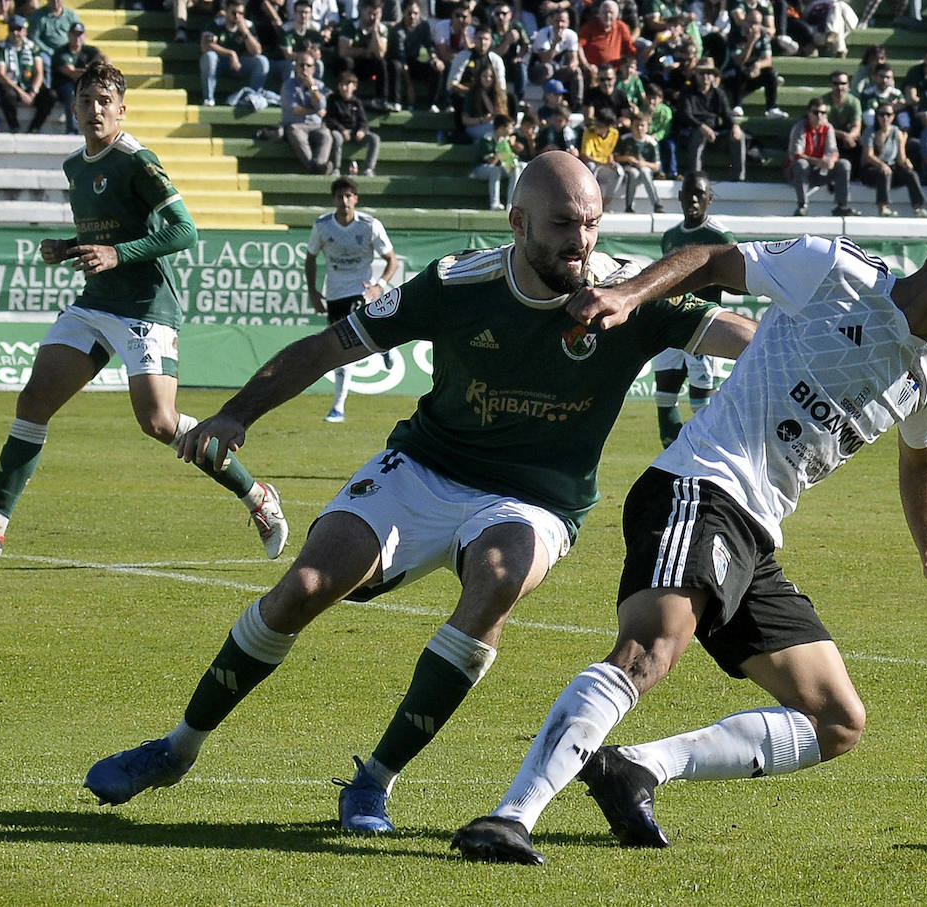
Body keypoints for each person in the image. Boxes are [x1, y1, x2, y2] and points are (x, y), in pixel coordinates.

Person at [81, 151, 758, 834]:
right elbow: (331, 347)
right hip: (425, 465)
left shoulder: (629, 293)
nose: (579, 241)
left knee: (497, 574)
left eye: (590, 224)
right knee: (307, 583)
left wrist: (834, 352)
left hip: (535, 501)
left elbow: (748, 342)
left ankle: (373, 781)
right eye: (561, 224)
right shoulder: (457, 284)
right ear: (518, 221)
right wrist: (237, 413)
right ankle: (176, 748)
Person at [450, 208, 927, 865]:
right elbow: (712, 259)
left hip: (755, 530)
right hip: (698, 485)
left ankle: (635, 768)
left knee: (837, 720)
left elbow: (921, 459)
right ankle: (510, 816)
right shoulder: (836, 272)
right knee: (650, 648)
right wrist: (628, 293)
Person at [0, 62, 288, 565]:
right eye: (87, 101)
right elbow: (102, 236)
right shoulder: (75, 166)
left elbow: (184, 231)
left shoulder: (136, 160)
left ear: (121, 109)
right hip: (95, 304)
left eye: (105, 102)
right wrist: (68, 247)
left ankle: (257, 495)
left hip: (146, 307)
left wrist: (117, 255)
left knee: (158, 421)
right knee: (34, 400)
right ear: (75, 108)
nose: (95, 110)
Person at [304, 176, 399, 422]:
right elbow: (311, 257)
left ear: (356, 199)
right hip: (335, 293)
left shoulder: (369, 225)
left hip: (362, 292)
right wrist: (313, 291)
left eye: (349, 196)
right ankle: (383, 346)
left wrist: (380, 285)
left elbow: (392, 260)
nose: (345, 201)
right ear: (333, 199)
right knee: (342, 347)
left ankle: (338, 407)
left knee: (344, 349)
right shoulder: (323, 226)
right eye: (340, 196)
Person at [652, 171, 734, 449]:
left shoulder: (719, 235)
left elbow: (739, 282)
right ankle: (673, 461)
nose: (694, 199)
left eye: (700, 193)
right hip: (668, 324)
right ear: (679, 196)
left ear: (710, 198)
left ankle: (708, 459)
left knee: (702, 407)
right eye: (689, 193)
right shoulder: (670, 236)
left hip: (702, 326)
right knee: (664, 398)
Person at [676, 55, 746, 181]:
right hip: (692, 132)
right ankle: (695, 177)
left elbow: (727, 114)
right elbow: (685, 115)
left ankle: (738, 178)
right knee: (698, 134)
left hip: (714, 133)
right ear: (696, 75)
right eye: (702, 73)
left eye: (709, 73)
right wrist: (702, 127)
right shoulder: (687, 92)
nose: (705, 77)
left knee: (739, 136)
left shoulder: (718, 93)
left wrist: (735, 126)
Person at [786, 98, 856, 216]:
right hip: (799, 172)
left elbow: (833, 150)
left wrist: (831, 161)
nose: (819, 116)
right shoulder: (800, 127)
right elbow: (795, 154)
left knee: (844, 164)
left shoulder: (828, 128)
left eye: (823, 113)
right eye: (815, 112)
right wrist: (817, 161)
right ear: (809, 113)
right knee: (801, 164)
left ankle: (841, 205)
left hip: (820, 170)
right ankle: (802, 205)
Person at [859, 102, 927, 217]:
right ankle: (883, 207)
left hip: (891, 168)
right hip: (871, 169)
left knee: (911, 175)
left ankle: (918, 207)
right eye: (881, 114)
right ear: (877, 116)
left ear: (893, 116)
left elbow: (901, 158)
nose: (885, 117)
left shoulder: (896, 132)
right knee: (884, 172)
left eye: (888, 114)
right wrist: (881, 165)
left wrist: (906, 163)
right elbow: (869, 156)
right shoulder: (870, 132)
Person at [199, 0, 270, 107]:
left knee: (262, 61)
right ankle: (209, 99)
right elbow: (205, 46)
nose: (237, 16)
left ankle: (253, 98)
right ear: (226, 11)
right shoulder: (216, 23)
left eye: (241, 13)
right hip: (219, 63)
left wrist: (245, 32)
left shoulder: (248, 25)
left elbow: (257, 51)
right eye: (234, 13)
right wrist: (231, 54)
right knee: (209, 56)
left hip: (240, 64)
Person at [0, 14, 56, 132]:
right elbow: (1, 75)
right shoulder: (0, 48)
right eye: (12, 29)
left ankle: (34, 128)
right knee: (6, 94)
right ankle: (14, 126)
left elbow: (39, 73)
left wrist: (33, 92)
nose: (15, 33)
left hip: (29, 87)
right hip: (12, 87)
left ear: (25, 31)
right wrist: (21, 93)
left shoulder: (33, 48)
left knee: (50, 96)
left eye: (19, 29)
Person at [281, 51, 333, 174]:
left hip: (316, 126)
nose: (304, 68)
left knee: (326, 135)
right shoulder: (288, 85)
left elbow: (322, 105)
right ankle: (314, 167)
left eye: (308, 65)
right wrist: (316, 111)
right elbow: (296, 110)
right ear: (296, 67)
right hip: (296, 124)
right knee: (295, 132)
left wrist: (312, 87)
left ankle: (319, 165)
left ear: (314, 69)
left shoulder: (319, 85)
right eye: (301, 65)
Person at [337, 0, 391, 110]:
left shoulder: (382, 29)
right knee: (347, 61)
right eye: (370, 13)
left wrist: (375, 31)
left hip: (368, 65)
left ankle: (381, 99)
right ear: (362, 11)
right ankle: (347, 98)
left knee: (381, 63)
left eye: (376, 14)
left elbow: (380, 53)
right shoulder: (350, 25)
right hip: (353, 65)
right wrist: (365, 52)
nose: (373, 17)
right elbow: (343, 51)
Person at [51, 21, 99, 134]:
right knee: (72, 93)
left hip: (83, 84)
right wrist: (93, 70)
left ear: (84, 36)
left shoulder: (89, 50)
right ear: (69, 35)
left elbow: (104, 59)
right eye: (74, 34)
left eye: (80, 34)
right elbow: (72, 73)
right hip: (62, 86)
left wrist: (101, 66)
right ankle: (72, 129)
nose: (77, 37)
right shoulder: (61, 52)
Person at [471, 111, 526, 209]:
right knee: (495, 171)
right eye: (509, 127)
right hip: (481, 169)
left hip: (500, 168)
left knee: (516, 168)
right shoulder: (487, 139)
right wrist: (503, 148)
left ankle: (511, 204)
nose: (512, 130)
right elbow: (491, 162)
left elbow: (519, 151)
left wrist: (512, 147)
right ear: (501, 128)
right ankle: (494, 204)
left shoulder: (508, 139)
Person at [614, 112, 664, 212]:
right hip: (628, 168)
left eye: (642, 125)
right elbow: (616, 157)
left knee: (645, 171)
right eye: (636, 125)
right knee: (634, 173)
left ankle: (656, 204)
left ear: (647, 128)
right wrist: (627, 158)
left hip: (645, 169)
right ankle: (629, 206)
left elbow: (656, 166)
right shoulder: (625, 139)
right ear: (631, 126)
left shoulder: (651, 143)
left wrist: (644, 163)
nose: (639, 128)